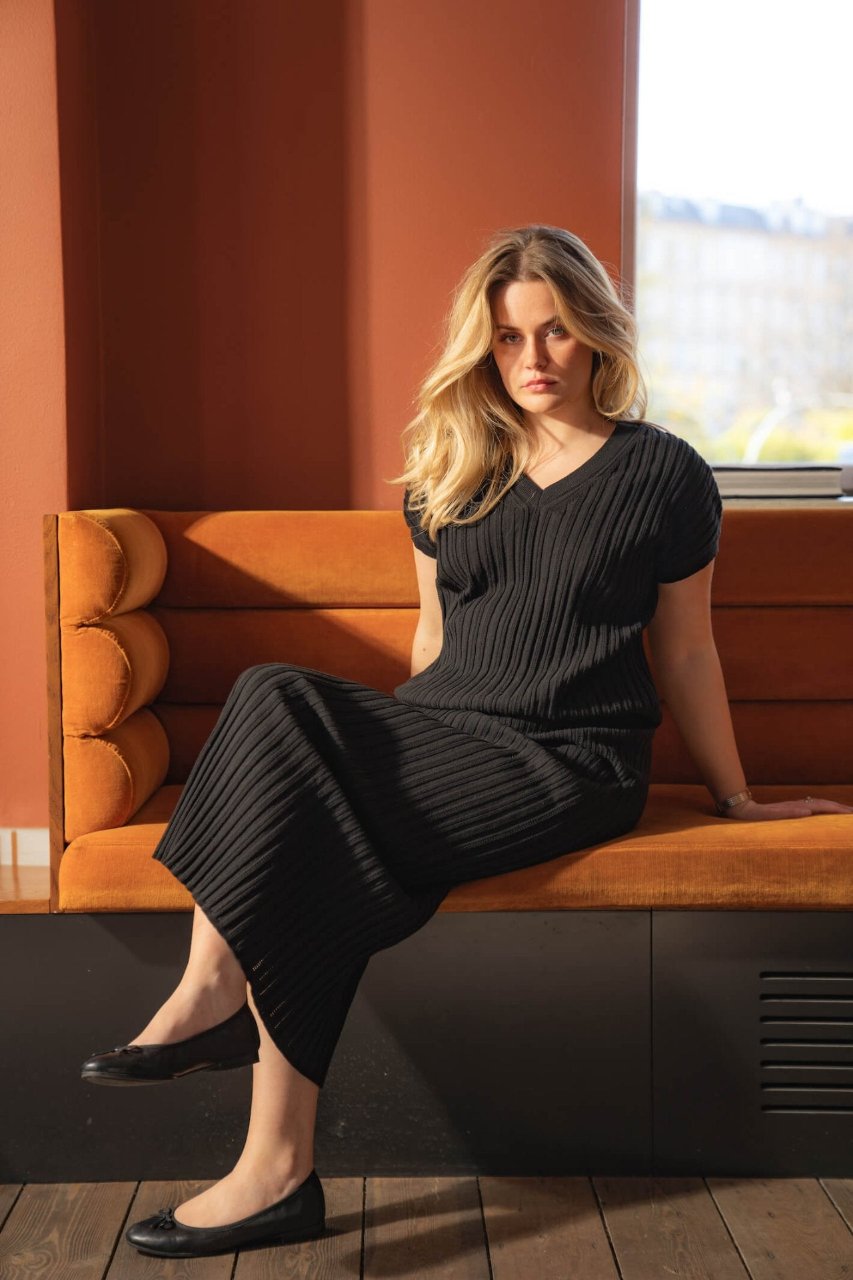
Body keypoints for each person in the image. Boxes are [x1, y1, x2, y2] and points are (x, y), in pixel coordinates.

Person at [81, 223, 853, 1260]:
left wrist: (734, 798)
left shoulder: (663, 473)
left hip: (573, 759)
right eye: (504, 338)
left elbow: (687, 654)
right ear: (478, 347)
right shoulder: (451, 468)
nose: (532, 359)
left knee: (306, 809)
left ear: (594, 336)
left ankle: (261, 1131)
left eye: (555, 332)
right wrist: (390, 755)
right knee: (274, 698)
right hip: (451, 732)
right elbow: (432, 642)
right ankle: (258, 1123)